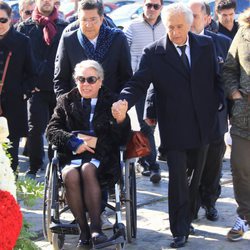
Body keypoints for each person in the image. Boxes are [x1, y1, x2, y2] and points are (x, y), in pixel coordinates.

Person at [112, 2, 224, 248]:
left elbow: (218, 79)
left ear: (190, 24)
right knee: (177, 179)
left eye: (179, 27)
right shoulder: (154, 52)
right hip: (174, 126)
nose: (174, 32)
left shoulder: (206, 45)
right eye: (170, 27)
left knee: (195, 177)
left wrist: (219, 104)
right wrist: (124, 100)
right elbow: (139, 83)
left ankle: (189, 215)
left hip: (204, 124)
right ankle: (179, 229)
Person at [46, 59, 131, 249]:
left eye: (91, 79)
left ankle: (96, 229)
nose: (85, 84)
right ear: (75, 80)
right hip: (72, 154)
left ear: (100, 81)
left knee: (87, 169)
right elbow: (51, 130)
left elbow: (123, 138)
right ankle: (84, 233)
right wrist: (74, 142)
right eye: (81, 79)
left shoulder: (112, 101)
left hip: (102, 156)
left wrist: (121, 119)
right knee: (69, 174)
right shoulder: (65, 101)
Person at [188, 0, 231, 222]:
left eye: (195, 16)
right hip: (188, 117)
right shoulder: (176, 43)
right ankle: (192, 205)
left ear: (207, 19)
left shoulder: (222, 43)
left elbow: (231, 80)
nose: (190, 20)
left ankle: (210, 201)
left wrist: (232, 114)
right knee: (192, 164)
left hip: (216, 116)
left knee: (214, 162)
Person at [16, 0, 68, 179]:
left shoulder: (64, 27)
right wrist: (28, 84)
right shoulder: (25, 27)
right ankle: (35, 165)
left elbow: (69, 57)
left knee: (59, 128)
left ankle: (57, 165)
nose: (46, 1)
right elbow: (18, 59)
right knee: (35, 129)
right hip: (36, 89)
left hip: (58, 88)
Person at [123, 0, 165, 183]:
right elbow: (124, 53)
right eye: (149, 5)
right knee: (145, 124)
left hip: (163, 85)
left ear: (161, 7)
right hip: (141, 85)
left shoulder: (167, 26)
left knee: (158, 125)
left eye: (156, 6)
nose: (152, 9)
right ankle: (151, 164)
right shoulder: (132, 27)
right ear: (143, 6)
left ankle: (145, 159)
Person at [54, 0, 132, 98]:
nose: (88, 24)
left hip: (110, 106)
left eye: (93, 19)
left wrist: (120, 102)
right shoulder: (68, 40)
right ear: (78, 19)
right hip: (77, 107)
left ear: (101, 18)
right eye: (84, 19)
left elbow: (126, 77)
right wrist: (66, 105)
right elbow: (60, 79)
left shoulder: (117, 39)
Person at [223, 7, 250, 242]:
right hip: (244, 116)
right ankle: (244, 216)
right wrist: (234, 93)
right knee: (241, 168)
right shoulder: (243, 31)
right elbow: (229, 68)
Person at [0, 1, 35, 173]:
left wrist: (22, 92)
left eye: (2, 20)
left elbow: (32, 73)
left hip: (12, 105)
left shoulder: (22, 42)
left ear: (11, 19)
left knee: (11, 150)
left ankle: (9, 194)